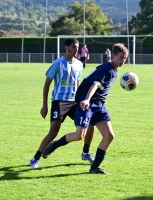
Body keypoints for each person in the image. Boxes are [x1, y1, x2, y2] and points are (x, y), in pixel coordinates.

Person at [42, 43, 129, 174]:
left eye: (125, 58)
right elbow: (95, 85)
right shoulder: (108, 69)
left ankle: (94, 168)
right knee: (79, 135)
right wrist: (87, 99)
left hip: (98, 106)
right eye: (121, 57)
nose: (123, 60)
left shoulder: (114, 70)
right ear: (114, 56)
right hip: (87, 104)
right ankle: (54, 144)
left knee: (109, 136)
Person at [29, 38, 95, 169]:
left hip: (74, 102)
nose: (76, 49)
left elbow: (78, 83)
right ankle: (36, 158)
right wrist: (45, 105)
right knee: (53, 132)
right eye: (73, 47)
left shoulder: (79, 64)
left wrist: (82, 99)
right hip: (59, 101)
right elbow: (47, 84)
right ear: (66, 47)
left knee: (90, 123)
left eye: (77, 47)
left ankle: (86, 152)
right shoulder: (58, 63)